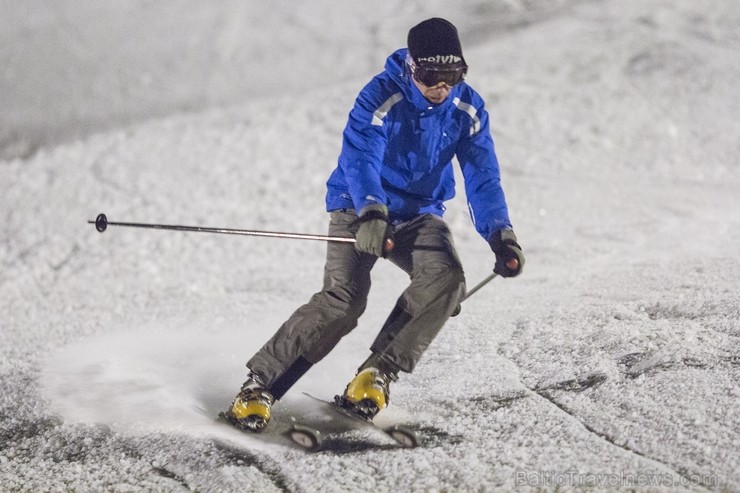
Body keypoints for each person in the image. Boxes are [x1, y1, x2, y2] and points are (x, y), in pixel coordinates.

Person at [223, 17, 524, 431]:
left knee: (446, 278)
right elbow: (360, 156)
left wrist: (500, 233)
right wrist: (371, 211)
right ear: (413, 68)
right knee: (344, 302)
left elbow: (482, 175)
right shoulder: (380, 95)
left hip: (419, 214)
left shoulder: (467, 109)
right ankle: (257, 389)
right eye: (432, 76)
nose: (441, 87)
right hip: (359, 207)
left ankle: (374, 376)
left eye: (452, 75)